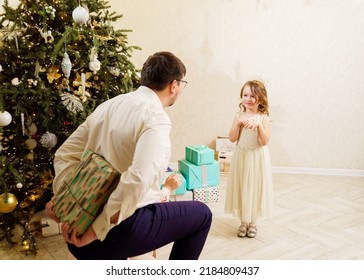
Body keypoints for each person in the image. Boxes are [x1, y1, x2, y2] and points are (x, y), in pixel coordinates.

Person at [45, 51, 212, 260]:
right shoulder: (155, 117)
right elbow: (139, 177)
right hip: (113, 234)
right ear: (174, 85)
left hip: (80, 231)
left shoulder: (108, 106)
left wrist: (65, 204)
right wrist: (95, 231)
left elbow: (64, 154)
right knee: (203, 215)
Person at [224, 80, 273, 238]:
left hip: (256, 157)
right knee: (242, 186)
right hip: (241, 155)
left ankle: (253, 222)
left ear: (261, 98)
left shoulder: (263, 117)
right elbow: (232, 138)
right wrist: (238, 124)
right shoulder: (239, 116)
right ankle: (243, 221)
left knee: (254, 187)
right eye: (245, 95)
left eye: (253, 95)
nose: (248, 98)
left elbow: (264, 142)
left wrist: (259, 126)